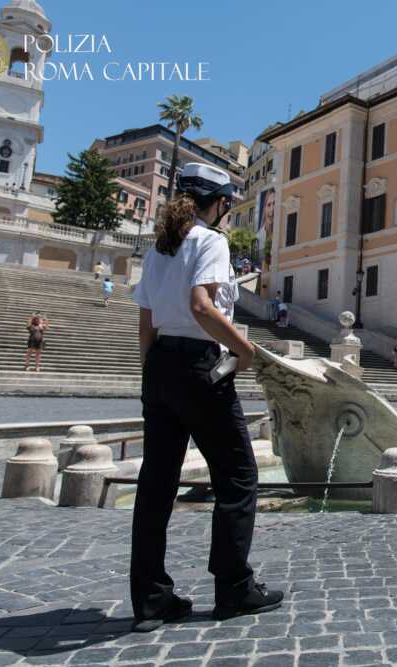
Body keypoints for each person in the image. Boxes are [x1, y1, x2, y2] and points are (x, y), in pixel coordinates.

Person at [130, 162, 282, 633]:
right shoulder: (210, 240)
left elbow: (147, 319)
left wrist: (151, 373)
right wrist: (245, 348)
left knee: (156, 484)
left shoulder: (161, 245)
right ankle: (234, 588)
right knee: (237, 477)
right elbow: (202, 305)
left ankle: (151, 599)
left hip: (159, 366)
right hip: (200, 367)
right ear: (219, 204)